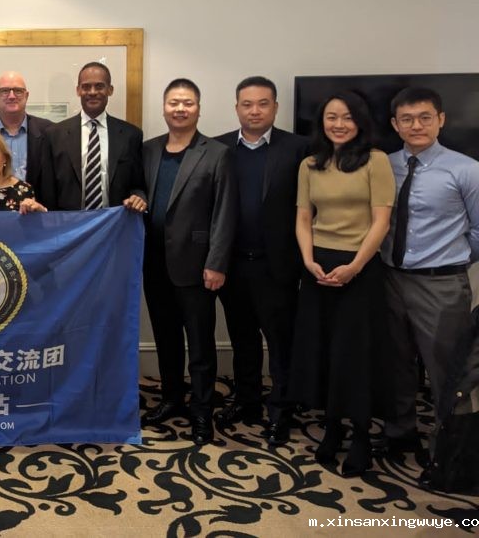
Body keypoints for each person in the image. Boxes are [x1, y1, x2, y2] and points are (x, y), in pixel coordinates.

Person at [288, 91, 394, 477]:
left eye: (347, 117)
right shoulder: (310, 164)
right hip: (318, 266)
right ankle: (332, 427)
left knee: (355, 354)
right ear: (322, 122)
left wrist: (354, 266)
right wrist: (308, 260)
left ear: (360, 122)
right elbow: (303, 218)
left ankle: (361, 434)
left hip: (360, 268)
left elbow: (381, 222)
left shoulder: (376, 161)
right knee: (323, 350)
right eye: (331, 117)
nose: (339, 124)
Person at [379, 86, 479, 484]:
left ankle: (449, 457)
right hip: (390, 279)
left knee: (447, 375)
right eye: (407, 119)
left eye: (424, 117)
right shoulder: (384, 165)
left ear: (441, 120)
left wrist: (451, 258)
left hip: (441, 285)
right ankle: (400, 434)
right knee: (395, 364)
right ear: (395, 124)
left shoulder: (466, 170)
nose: (416, 126)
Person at [214, 77, 310, 445]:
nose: (255, 111)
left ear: (275, 107)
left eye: (263, 103)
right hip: (234, 263)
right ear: (237, 107)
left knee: (281, 342)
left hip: (277, 265)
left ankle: (281, 410)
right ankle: (247, 400)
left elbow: (309, 208)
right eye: (247, 104)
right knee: (243, 339)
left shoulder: (298, 148)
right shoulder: (219, 147)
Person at [141, 79, 236, 445]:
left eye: (187, 103)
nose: (180, 109)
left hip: (197, 265)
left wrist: (217, 263)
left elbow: (224, 212)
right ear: (164, 107)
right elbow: (139, 190)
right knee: (165, 338)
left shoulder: (216, 153)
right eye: (173, 102)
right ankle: (171, 399)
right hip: (155, 263)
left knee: (200, 344)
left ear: (198, 108)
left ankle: (201, 411)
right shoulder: (149, 150)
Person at [38, 62, 146, 213]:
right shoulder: (54, 135)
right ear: (78, 90)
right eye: (86, 87)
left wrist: (138, 197)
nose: (92, 92)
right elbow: (47, 190)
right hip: (69, 223)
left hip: (114, 222)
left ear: (110, 90)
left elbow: (138, 185)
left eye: (99, 86)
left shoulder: (131, 135)